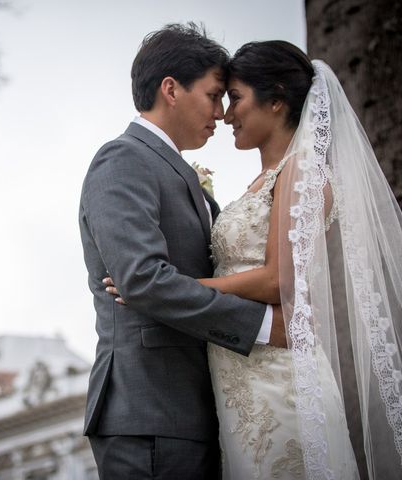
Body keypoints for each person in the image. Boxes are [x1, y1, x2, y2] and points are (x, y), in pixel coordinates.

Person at [106, 41, 402, 479]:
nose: (226, 114)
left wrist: (167, 289)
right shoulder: (259, 183)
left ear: (277, 100)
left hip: (275, 379)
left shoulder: (300, 170)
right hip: (238, 380)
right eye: (219, 99)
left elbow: (278, 278)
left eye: (236, 99)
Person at [79, 24, 286, 479]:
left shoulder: (179, 173)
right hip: (150, 409)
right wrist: (265, 325)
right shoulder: (123, 159)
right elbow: (142, 280)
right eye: (214, 95)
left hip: (196, 409)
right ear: (171, 89)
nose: (222, 112)